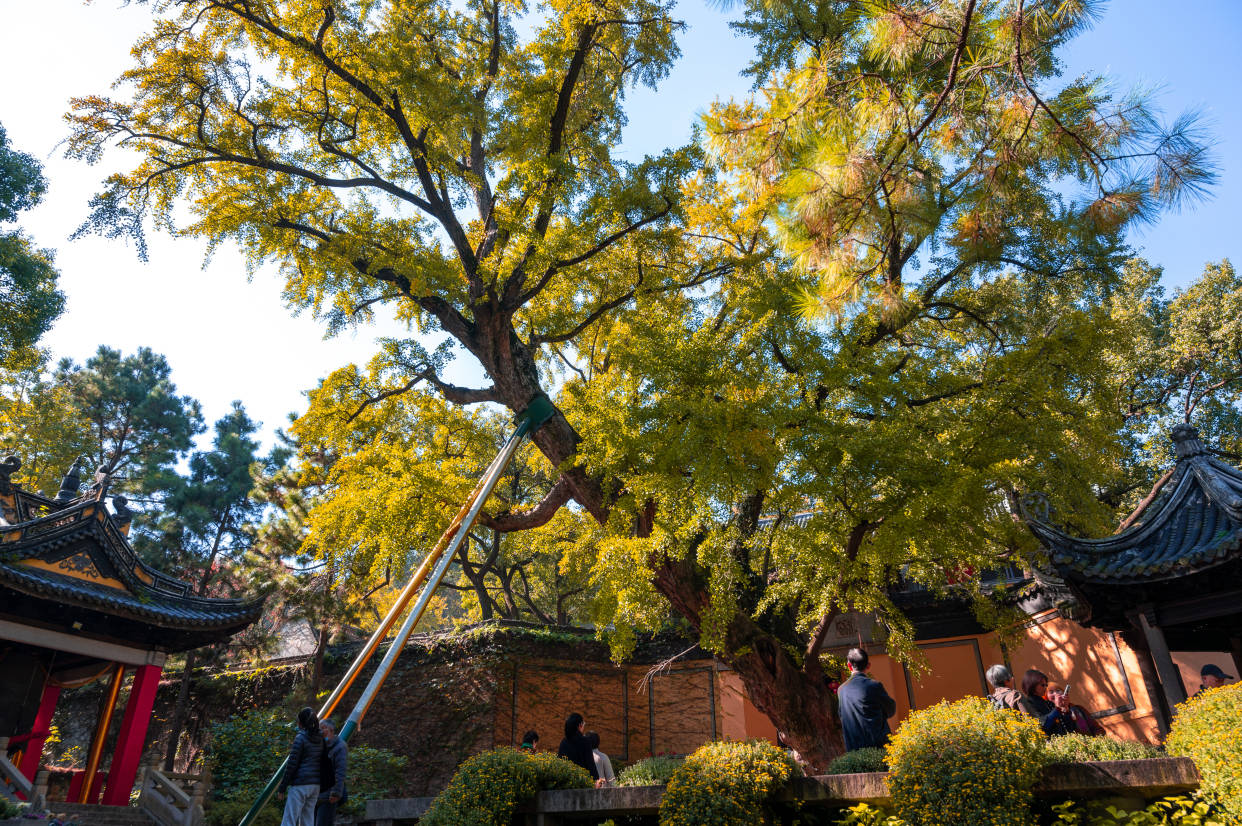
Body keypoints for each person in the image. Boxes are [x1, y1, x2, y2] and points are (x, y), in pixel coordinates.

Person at [836, 648, 897, 752]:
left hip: (853, 750)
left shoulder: (841, 690)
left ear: (849, 666)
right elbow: (891, 710)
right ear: (868, 665)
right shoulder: (874, 686)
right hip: (878, 749)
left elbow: (841, 715)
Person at [278, 707, 324, 826]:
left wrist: (282, 788)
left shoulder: (300, 738)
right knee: (307, 820)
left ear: (301, 723)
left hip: (300, 784)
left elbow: (292, 765)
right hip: (315, 785)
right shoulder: (321, 738)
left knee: (289, 820)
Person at [315, 719, 347, 826]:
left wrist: (336, 793)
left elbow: (340, 771)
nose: (321, 732)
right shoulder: (318, 745)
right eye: (319, 729)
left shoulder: (340, 746)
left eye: (323, 729)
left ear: (331, 730)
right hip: (314, 794)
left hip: (328, 795)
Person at [556, 713, 601, 784]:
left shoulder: (563, 742)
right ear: (580, 725)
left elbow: (559, 762)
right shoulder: (585, 741)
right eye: (583, 723)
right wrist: (597, 780)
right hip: (583, 782)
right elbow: (590, 764)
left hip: (566, 782)